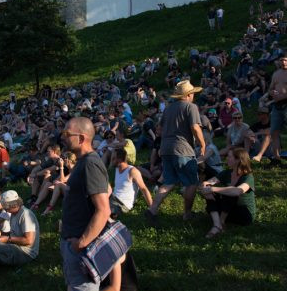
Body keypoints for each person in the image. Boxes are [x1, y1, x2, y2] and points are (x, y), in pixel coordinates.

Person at [60, 117, 111, 291]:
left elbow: (104, 210)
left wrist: (81, 243)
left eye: (67, 133)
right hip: (73, 238)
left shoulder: (90, 163)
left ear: (81, 138)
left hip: (81, 246)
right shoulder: (84, 162)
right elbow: (107, 189)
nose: (63, 137)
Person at [145, 80, 205, 225]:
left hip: (166, 148)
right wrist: (203, 145)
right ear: (189, 94)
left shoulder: (168, 108)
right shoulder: (191, 107)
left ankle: (152, 209)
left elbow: (160, 128)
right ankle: (187, 214)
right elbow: (195, 128)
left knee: (169, 181)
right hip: (182, 149)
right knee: (191, 183)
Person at [200, 148, 256, 238]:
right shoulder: (226, 173)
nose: (227, 159)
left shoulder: (248, 177)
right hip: (227, 211)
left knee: (230, 192)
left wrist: (213, 189)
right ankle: (218, 225)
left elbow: (238, 191)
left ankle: (219, 223)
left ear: (238, 160)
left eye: (229, 157)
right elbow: (208, 183)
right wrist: (206, 186)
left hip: (243, 215)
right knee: (212, 191)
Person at [110, 148, 152, 218]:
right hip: (113, 199)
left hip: (122, 204)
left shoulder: (132, 171)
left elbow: (144, 189)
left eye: (113, 158)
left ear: (119, 159)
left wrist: (152, 208)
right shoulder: (117, 169)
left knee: (102, 211)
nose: (111, 160)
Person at [268, 56, 287, 165]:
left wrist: (282, 96)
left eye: (285, 60)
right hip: (277, 105)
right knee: (274, 132)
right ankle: (276, 158)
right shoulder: (276, 74)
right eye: (282, 60)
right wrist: (272, 93)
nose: (283, 62)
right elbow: (270, 88)